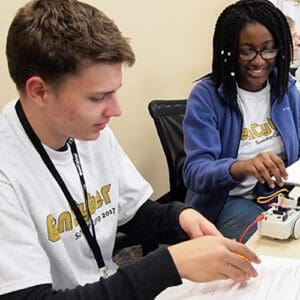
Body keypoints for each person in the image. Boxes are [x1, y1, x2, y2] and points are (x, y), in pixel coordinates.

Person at [0, 0, 260, 299]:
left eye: (116, 92)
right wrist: (170, 265)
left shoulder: (89, 132)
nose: (116, 110)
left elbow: (133, 212)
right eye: (98, 97)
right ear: (39, 91)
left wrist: (181, 217)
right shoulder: (8, 171)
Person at [183, 0, 300, 243]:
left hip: (281, 193)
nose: (258, 61)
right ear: (228, 51)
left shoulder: (285, 87)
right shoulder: (206, 96)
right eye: (246, 51)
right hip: (230, 200)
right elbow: (195, 172)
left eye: (268, 49)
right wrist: (241, 166)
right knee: (272, 243)